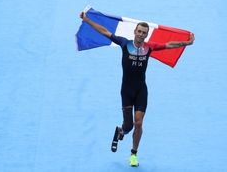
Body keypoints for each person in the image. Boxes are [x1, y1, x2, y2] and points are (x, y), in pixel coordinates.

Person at [79, 10, 195, 167]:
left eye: (144, 33)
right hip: (126, 91)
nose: (141, 34)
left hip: (141, 90)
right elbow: (104, 31)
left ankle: (133, 154)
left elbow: (169, 45)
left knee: (138, 123)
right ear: (135, 31)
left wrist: (186, 43)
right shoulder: (124, 43)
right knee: (128, 126)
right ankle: (120, 131)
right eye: (139, 31)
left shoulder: (149, 47)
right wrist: (87, 20)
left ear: (146, 35)